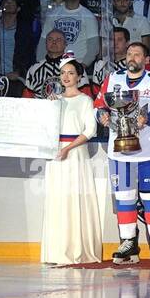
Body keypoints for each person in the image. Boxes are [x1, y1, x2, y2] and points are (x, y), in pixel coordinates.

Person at [96, 40, 150, 264]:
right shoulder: (113, 79)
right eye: (129, 54)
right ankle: (128, 242)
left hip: (148, 152)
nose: (132, 57)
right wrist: (101, 116)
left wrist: (148, 118)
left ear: (146, 60)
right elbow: (98, 106)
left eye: (137, 54)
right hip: (119, 152)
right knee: (124, 198)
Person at [41, 58, 103, 265]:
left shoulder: (85, 101)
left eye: (70, 73)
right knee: (58, 199)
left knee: (75, 199)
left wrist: (68, 148)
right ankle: (57, 251)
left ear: (78, 76)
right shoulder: (55, 100)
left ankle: (76, 250)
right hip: (56, 153)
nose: (66, 77)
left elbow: (90, 130)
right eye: (63, 73)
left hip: (75, 153)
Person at [36, 0, 100, 66]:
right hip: (54, 65)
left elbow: (94, 45)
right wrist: (41, 64)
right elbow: (43, 41)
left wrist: (83, 66)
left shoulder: (88, 16)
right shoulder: (53, 14)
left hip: (78, 64)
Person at [26, 30, 77, 97]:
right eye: (50, 39)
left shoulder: (75, 68)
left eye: (58, 40)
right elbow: (26, 98)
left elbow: (85, 96)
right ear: (46, 43)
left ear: (65, 44)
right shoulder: (34, 68)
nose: (54, 42)